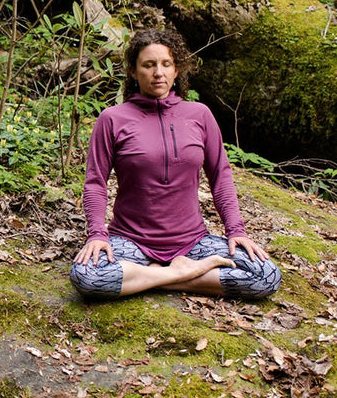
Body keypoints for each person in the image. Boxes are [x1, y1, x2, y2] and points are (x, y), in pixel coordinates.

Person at [69, 28, 281, 300]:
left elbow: (220, 175)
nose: (158, 72)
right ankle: (178, 274)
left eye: (166, 64)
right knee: (86, 276)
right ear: (133, 71)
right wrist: (97, 235)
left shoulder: (199, 115)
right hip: (131, 242)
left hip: (193, 242)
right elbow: (96, 182)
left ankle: (148, 278)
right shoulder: (113, 119)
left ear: (177, 69)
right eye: (149, 65)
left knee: (266, 275)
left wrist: (236, 230)